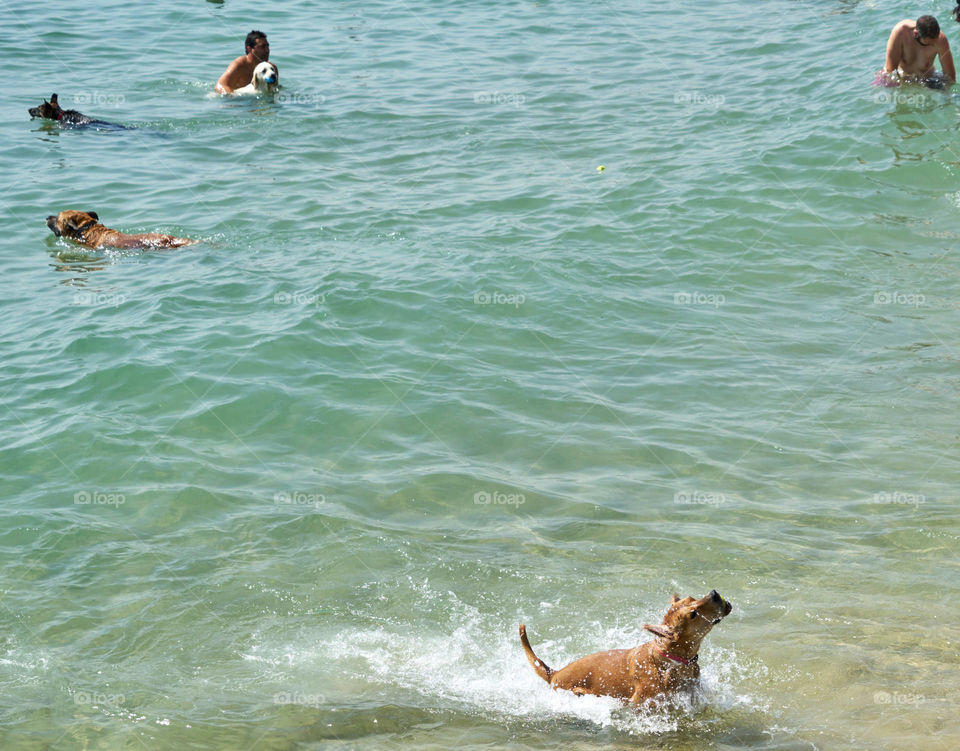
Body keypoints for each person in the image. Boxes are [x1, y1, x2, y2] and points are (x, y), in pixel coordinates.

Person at [878, 15, 955, 88]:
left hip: (928, 80)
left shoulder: (941, 39)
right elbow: (890, 70)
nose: (934, 45)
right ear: (916, 34)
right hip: (903, 80)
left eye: (935, 42)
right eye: (929, 44)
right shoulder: (900, 33)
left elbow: (950, 76)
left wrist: (947, 95)